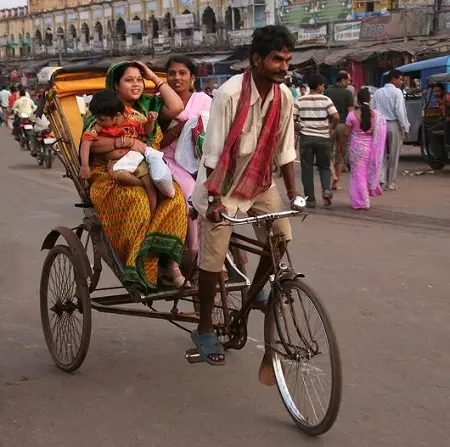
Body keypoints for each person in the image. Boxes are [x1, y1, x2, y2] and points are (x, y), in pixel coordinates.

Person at [191, 25, 300, 375]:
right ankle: (205, 327)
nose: (284, 66)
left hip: (257, 180)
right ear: (256, 60)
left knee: (281, 239)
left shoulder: (285, 97)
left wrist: (295, 193)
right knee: (214, 259)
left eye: (287, 60)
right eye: (276, 59)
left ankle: (256, 293)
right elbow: (211, 153)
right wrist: (214, 201)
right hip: (219, 184)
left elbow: (285, 149)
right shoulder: (229, 94)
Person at [86, 61, 188, 289]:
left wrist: (152, 75)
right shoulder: (101, 109)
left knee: (176, 198)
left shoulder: (146, 108)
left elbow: (177, 107)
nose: (136, 84)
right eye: (128, 79)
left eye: (138, 79)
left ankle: (171, 266)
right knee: (140, 203)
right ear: (115, 85)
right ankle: (139, 268)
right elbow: (92, 145)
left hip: (144, 166)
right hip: (108, 173)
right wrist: (128, 142)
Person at [160, 55, 212, 263]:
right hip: (170, 160)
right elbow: (156, 143)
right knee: (192, 197)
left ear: (192, 78)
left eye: (182, 73)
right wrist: (181, 126)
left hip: (202, 161)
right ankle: (194, 254)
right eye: (172, 73)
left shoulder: (205, 101)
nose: (177, 78)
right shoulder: (159, 102)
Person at [79, 90, 159, 216]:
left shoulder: (134, 120)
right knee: (123, 178)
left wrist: (150, 121)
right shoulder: (98, 126)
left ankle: (154, 215)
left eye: (102, 119)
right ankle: (142, 185)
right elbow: (86, 142)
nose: (98, 122)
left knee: (150, 183)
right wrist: (85, 165)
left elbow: (147, 132)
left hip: (136, 160)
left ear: (117, 116)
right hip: (115, 163)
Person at [338, 89, 387, 210]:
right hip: (371, 147)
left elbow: (346, 134)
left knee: (358, 175)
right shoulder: (376, 115)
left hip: (356, 148)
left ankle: (363, 200)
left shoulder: (352, 115)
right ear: (369, 100)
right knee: (365, 174)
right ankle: (364, 198)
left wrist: (341, 146)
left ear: (357, 100)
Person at [297, 73, 339, 208]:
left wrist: (298, 129)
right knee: (324, 167)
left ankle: (310, 199)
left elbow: (292, 118)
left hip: (306, 138)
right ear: (319, 86)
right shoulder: (326, 100)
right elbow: (336, 116)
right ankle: (326, 191)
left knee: (307, 169)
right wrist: (331, 129)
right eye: (323, 85)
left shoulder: (300, 100)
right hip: (323, 138)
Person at [372, 69, 410, 191]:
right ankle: (391, 182)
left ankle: (381, 180)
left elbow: (373, 109)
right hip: (393, 124)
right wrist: (405, 126)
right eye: (400, 79)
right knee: (394, 155)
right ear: (393, 79)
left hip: (380, 125)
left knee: (381, 154)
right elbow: (400, 111)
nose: (401, 82)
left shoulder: (378, 92)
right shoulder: (397, 92)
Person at [324, 71, 354, 191]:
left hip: (329, 124)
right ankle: (336, 183)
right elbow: (350, 112)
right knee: (340, 153)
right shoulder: (347, 93)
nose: (349, 82)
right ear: (342, 80)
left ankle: (332, 176)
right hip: (342, 125)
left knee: (327, 152)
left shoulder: (327, 91)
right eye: (348, 80)